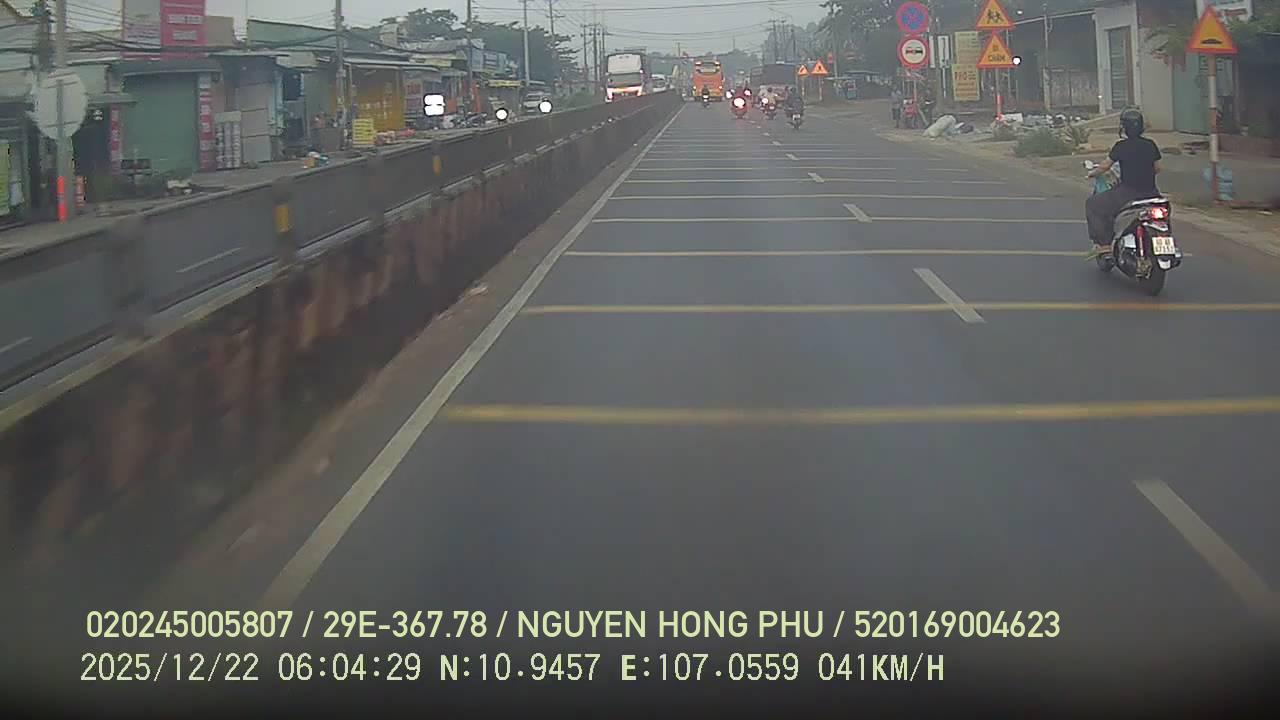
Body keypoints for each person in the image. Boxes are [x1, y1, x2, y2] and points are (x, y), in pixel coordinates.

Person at [1085, 108, 1163, 256]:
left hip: (1128, 193)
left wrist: (1092, 174)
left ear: (1124, 127)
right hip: (1152, 193)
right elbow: (1158, 168)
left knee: (1093, 204)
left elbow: (1105, 166)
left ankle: (1104, 244)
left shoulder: (1121, 146)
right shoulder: (1150, 144)